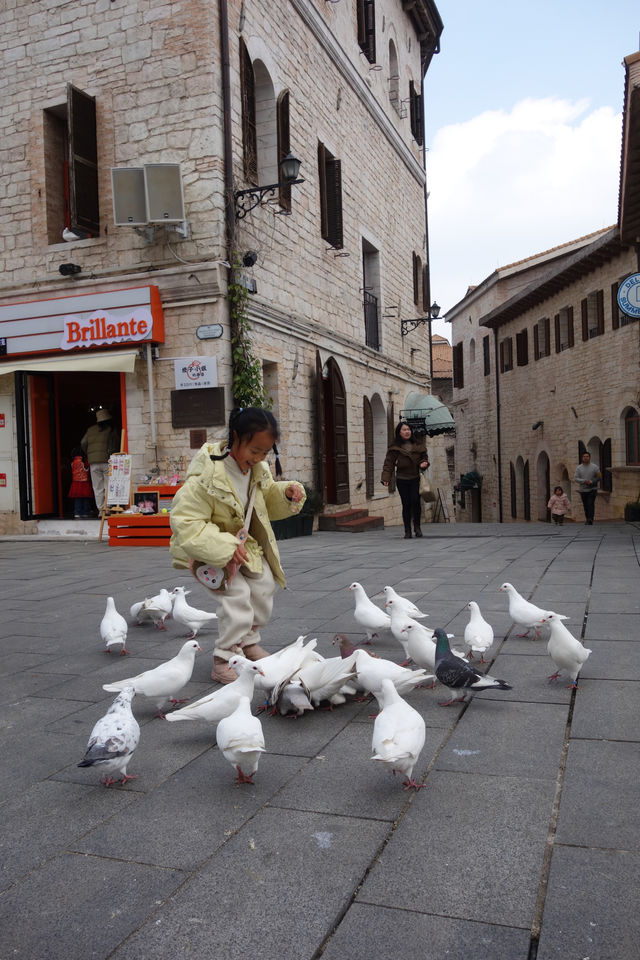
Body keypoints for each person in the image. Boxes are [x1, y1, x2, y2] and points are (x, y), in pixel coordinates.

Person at [169, 407, 306, 684]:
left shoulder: (258, 469)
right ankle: (223, 658)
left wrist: (287, 493)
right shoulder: (208, 474)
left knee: (264, 584)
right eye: (254, 450)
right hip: (210, 552)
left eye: (265, 453)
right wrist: (224, 546)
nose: (258, 458)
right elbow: (185, 520)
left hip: (244, 546)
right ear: (235, 437)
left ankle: (248, 643)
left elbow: (265, 500)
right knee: (237, 596)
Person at [381, 421, 429, 538]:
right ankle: (407, 530)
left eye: (408, 429)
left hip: (415, 478)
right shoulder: (395, 448)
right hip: (402, 479)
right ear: (399, 432)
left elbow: (424, 458)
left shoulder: (418, 445)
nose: (407, 432)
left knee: (415, 502)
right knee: (406, 504)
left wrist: (424, 463)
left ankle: (417, 527)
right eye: (404, 430)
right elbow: (388, 464)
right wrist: (386, 478)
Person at [81, 409, 120, 512]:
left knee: (97, 487)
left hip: (93, 463)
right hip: (107, 461)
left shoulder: (90, 430)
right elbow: (115, 445)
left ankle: (100, 509)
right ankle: (108, 508)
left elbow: (83, 443)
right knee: (108, 485)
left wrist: (90, 454)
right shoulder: (111, 429)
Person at [573, 451, 601, 525]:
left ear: (589, 457)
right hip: (583, 489)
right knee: (585, 505)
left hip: (593, 489)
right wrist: (584, 481)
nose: (585, 458)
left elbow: (599, 477)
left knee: (590, 503)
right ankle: (587, 518)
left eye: (587, 456)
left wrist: (591, 481)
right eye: (584, 456)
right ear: (582, 458)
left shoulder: (595, 467)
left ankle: (590, 519)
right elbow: (576, 478)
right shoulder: (579, 468)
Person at [67, 446, 94, 518]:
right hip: (84, 483)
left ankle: (77, 512)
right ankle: (86, 512)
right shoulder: (84, 462)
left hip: (75, 483)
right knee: (86, 498)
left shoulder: (72, 463)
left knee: (77, 498)